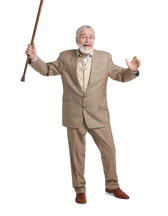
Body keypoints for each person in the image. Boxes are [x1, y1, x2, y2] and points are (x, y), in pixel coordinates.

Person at [25, 25, 141, 204]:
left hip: (99, 114)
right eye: (83, 36)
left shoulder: (104, 57)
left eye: (90, 37)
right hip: (74, 113)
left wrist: (131, 70)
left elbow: (120, 75)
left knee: (109, 150)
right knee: (77, 153)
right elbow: (47, 70)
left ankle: (112, 185)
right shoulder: (65, 57)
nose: (87, 40)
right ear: (76, 39)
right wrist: (34, 58)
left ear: (94, 40)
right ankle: (80, 190)